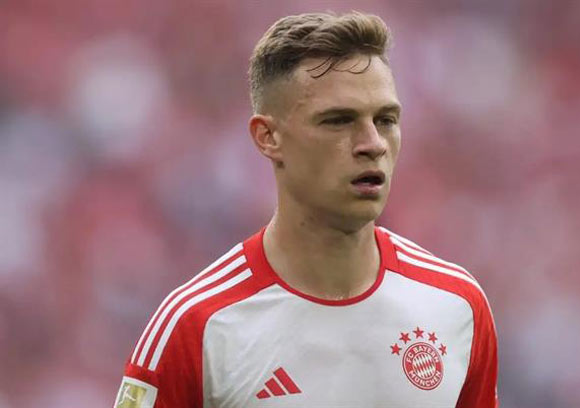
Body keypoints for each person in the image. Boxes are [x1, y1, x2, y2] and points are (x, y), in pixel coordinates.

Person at [114, 11, 498, 408]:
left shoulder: (456, 305)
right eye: (338, 121)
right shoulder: (196, 325)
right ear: (268, 137)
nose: (373, 143)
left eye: (386, 120)